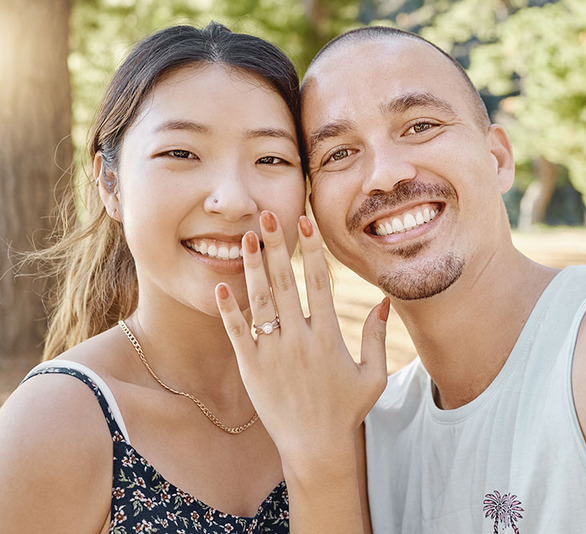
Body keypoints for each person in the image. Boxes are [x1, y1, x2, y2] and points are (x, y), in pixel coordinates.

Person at [226, 24, 586, 533]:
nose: (384, 175)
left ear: (499, 158)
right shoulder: (370, 431)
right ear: (314, 211)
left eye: (420, 125)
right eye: (339, 154)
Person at [0, 22, 381, 533]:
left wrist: (323, 449)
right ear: (110, 184)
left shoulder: (342, 400)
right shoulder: (54, 424)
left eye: (270, 158)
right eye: (181, 153)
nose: (232, 200)